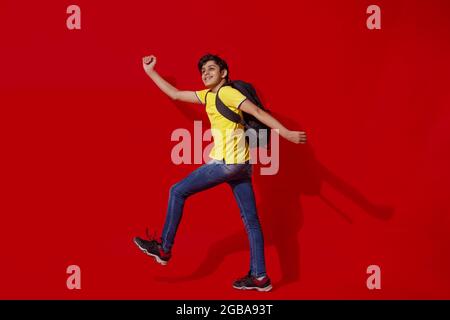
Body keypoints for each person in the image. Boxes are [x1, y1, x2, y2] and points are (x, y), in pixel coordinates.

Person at [133, 53, 307, 292]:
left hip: (227, 163)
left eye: (211, 68)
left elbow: (256, 112)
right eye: (203, 70)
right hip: (242, 166)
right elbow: (175, 94)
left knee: (177, 191)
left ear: (223, 73)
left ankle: (164, 248)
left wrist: (286, 134)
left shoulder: (227, 92)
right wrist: (150, 72)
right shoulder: (208, 95)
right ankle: (260, 278)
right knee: (252, 223)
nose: (206, 73)